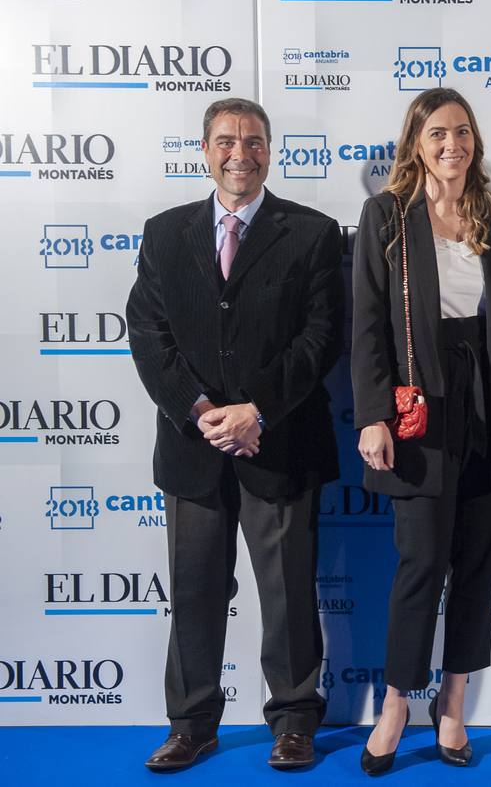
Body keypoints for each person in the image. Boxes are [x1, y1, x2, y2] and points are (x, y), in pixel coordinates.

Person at [127, 98, 343, 772]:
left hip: (278, 446)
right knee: (192, 592)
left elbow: (322, 338)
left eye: (253, 141)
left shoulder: (312, 233)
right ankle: (192, 724)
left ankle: (295, 720)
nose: (239, 153)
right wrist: (197, 409)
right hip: (193, 452)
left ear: (270, 151)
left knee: (287, 593)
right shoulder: (164, 234)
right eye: (226, 141)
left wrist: (259, 410)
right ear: (205, 149)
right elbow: (147, 334)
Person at [350, 87, 491, 774]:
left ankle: (455, 704)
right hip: (420, 408)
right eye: (437, 133)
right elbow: (368, 325)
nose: (452, 144)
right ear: (416, 142)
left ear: (476, 140)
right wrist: (373, 413)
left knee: (475, 565)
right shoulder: (386, 216)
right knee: (420, 563)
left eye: (462, 132)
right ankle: (397, 703)